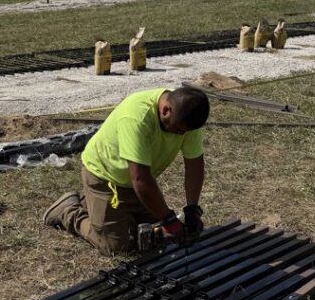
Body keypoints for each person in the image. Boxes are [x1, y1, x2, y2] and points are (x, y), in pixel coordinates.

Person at [43, 86, 209, 255]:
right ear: (166, 110)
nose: (181, 135)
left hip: (138, 182)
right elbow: (140, 179)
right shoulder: (136, 117)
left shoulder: (186, 118)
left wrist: (192, 209)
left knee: (154, 235)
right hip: (105, 178)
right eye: (178, 130)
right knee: (116, 246)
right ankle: (68, 210)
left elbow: (194, 165)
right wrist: (168, 219)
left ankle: (96, 206)